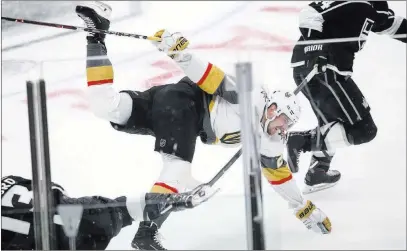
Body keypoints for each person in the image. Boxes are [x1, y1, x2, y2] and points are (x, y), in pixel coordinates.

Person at [75, 1, 332, 249]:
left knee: (106, 107)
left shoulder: (271, 139)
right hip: (184, 105)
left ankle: (96, 36)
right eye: (284, 121)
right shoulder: (250, 95)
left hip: (169, 104)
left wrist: (303, 208)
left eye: (288, 125)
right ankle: (147, 232)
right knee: (177, 168)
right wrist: (178, 52)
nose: (284, 129)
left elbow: (279, 176)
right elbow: (212, 78)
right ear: (273, 108)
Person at [287, 1, 406, 194]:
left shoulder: (371, 9)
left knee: (331, 123)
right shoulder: (354, 2)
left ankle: (318, 172)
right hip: (325, 69)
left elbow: (391, 24)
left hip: (312, 69)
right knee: (364, 129)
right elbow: (309, 12)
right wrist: (318, 48)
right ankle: (301, 141)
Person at [1, 175, 209, 250]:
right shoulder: (10, 179)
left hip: (69, 233)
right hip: (81, 217)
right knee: (119, 211)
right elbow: (53, 187)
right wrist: (171, 200)